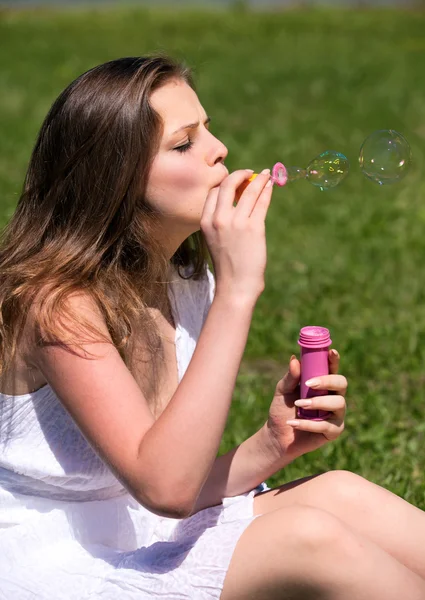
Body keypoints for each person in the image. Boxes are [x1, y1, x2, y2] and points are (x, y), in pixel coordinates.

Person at [0, 55, 424, 600]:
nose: (219, 149)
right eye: (183, 143)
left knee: (341, 492)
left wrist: (273, 444)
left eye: (208, 128)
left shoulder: (181, 276)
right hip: (50, 558)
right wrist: (239, 291)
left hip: (141, 526)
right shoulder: (56, 303)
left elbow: (164, 485)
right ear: (115, 179)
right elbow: (166, 489)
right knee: (310, 538)